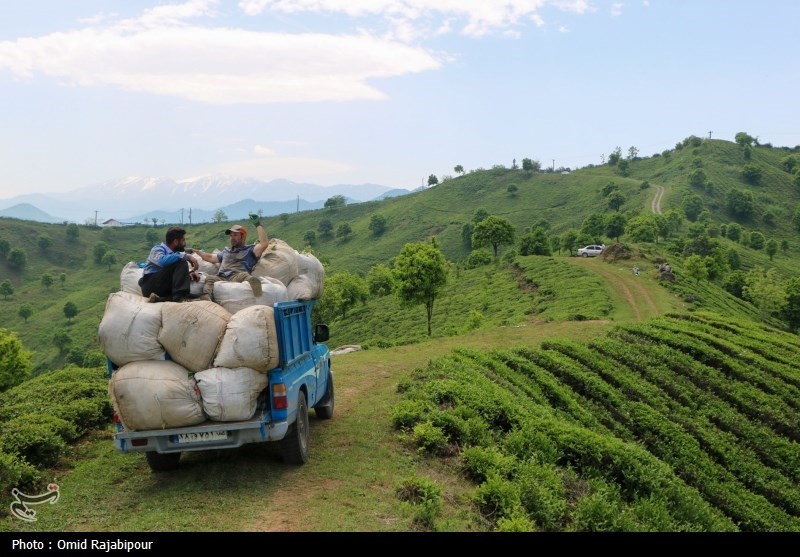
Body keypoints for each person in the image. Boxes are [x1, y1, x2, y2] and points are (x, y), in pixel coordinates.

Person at [192, 215, 269, 300]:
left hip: (236, 275)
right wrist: (196, 252)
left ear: (243, 236)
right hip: (221, 276)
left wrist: (258, 225)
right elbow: (210, 257)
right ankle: (206, 296)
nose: (232, 238)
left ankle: (255, 287)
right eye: (231, 236)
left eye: (235, 235)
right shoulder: (226, 251)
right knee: (210, 278)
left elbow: (264, 244)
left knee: (244, 275)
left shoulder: (250, 250)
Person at [139, 226, 200, 303]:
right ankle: (180, 298)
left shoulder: (174, 254)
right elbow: (162, 262)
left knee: (196, 296)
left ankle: (159, 299)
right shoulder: (157, 249)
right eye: (183, 240)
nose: (184, 243)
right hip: (151, 285)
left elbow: (172, 272)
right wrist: (186, 256)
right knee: (181, 261)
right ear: (175, 242)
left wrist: (188, 274)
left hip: (161, 287)